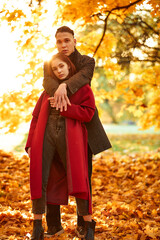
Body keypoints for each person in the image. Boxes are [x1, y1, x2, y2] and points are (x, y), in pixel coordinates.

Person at [43, 26, 112, 238]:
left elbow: (84, 77)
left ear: (74, 40)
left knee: (83, 176)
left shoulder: (87, 61)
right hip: (56, 126)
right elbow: (47, 83)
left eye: (67, 40)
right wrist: (58, 88)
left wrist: (64, 86)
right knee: (53, 174)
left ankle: (84, 223)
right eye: (59, 41)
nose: (63, 45)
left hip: (83, 125)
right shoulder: (50, 62)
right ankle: (54, 224)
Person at [25, 52, 97, 240]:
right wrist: (29, 144)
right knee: (40, 177)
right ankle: (37, 227)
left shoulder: (83, 89)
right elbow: (35, 119)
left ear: (69, 66)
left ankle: (89, 226)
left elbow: (88, 113)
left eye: (61, 66)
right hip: (45, 136)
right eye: (55, 69)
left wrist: (66, 108)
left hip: (70, 138)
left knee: (80, 179)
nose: (58, 71)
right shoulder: (47, 92)